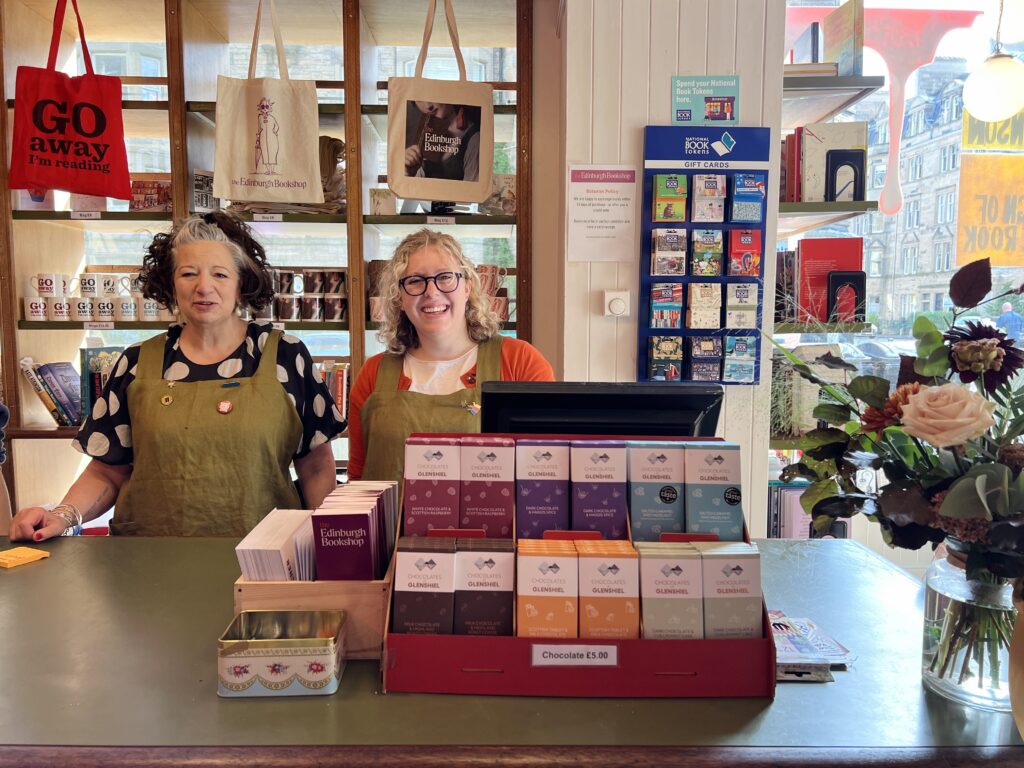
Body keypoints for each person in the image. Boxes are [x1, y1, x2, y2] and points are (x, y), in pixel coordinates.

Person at [10, 211, 346, 541]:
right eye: (188, 274)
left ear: (242, 282)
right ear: (170, 283)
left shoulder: (285, 357)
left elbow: (316, 466)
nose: (203, 287)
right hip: (150, 565)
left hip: (265, 561)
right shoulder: (137, 363)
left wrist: (329, 548)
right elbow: (107, 471)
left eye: (220, 274)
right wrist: (61, 515)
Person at [348, 229, 554, 485]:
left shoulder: (519, 361)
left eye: (445, 277)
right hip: (394, 527)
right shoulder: (374, 374)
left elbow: (545, 471)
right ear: (399, 297)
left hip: (491, 526)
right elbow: (358, 478)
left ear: (467, 286)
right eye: (415, 281)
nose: (431, 292)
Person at [404, 101, 481, 182]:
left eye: (432, 94)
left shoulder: (474, 138)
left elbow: (472, 192)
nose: (428, 106)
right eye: (419, 100)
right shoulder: (425, 132)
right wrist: (408, 174)